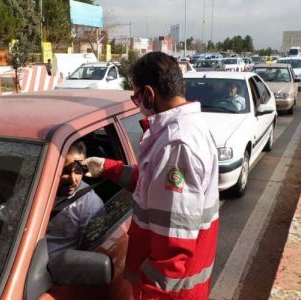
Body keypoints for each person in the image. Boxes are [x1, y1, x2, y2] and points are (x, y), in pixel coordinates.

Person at [83, 52, 219, 299]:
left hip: (168, 293)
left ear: (149, 93)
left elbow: (173, 248)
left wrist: (148, 292)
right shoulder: (182, 134)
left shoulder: (176, 145)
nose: (138, 103)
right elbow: (153, 188)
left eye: (136, 97)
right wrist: (108, 168)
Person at [46, 140, 104, 255]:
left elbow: (91, 251)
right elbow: (5, 214)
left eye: (78, 170)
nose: (73, 179)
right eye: (66, 171)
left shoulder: (91, 205)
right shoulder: (38, 188)